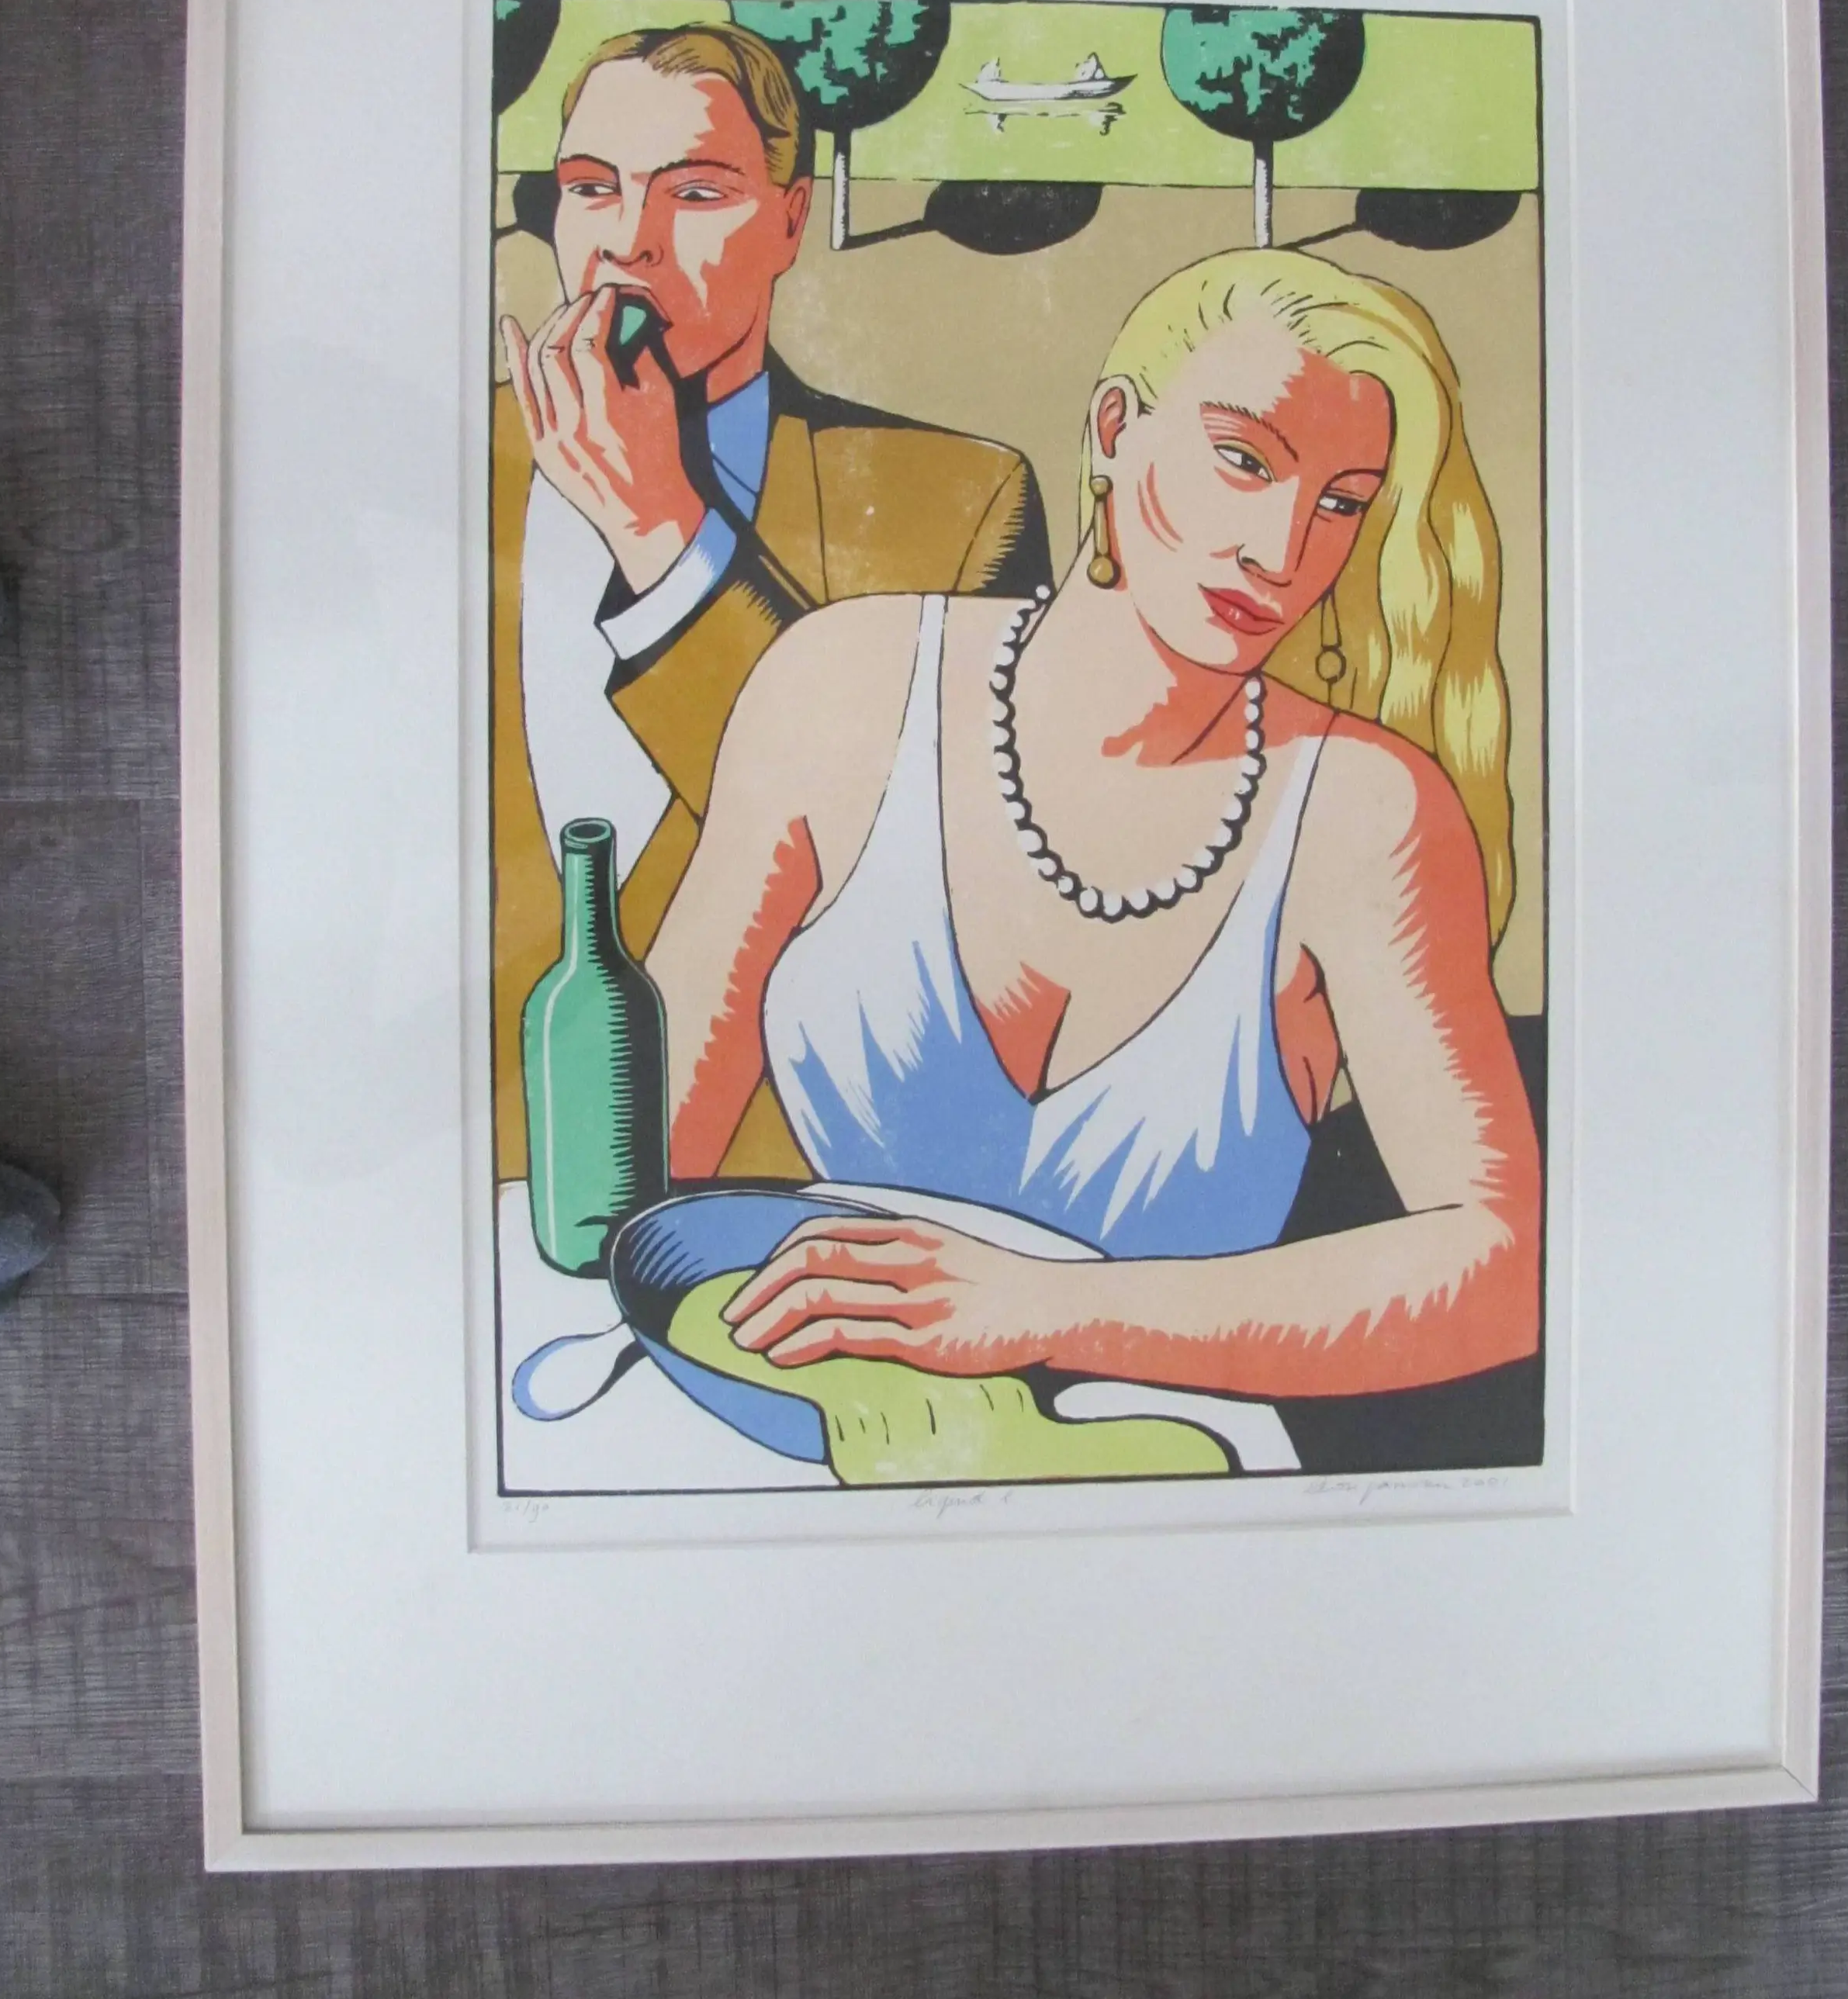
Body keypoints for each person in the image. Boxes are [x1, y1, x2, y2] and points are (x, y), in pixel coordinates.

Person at [646, 248, 1542, 1403]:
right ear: (1115, 429)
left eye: (1340, 504)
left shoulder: (1364, 812)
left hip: (1169, 1464)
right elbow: (643, 1153)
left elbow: (1500, 1269)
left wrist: (1039, 1309)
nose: (1281, 552)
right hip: (796, 1417)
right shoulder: (844, 685)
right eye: (1243, 460)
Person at [493, 24, 1051, 1185]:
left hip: (800, 1199)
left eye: (696, 193)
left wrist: (662, 532)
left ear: (791, 221)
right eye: (591, 189)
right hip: (475, 1184)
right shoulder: (448, 472)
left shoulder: (958, 506)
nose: (630, 242)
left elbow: (929, 893)